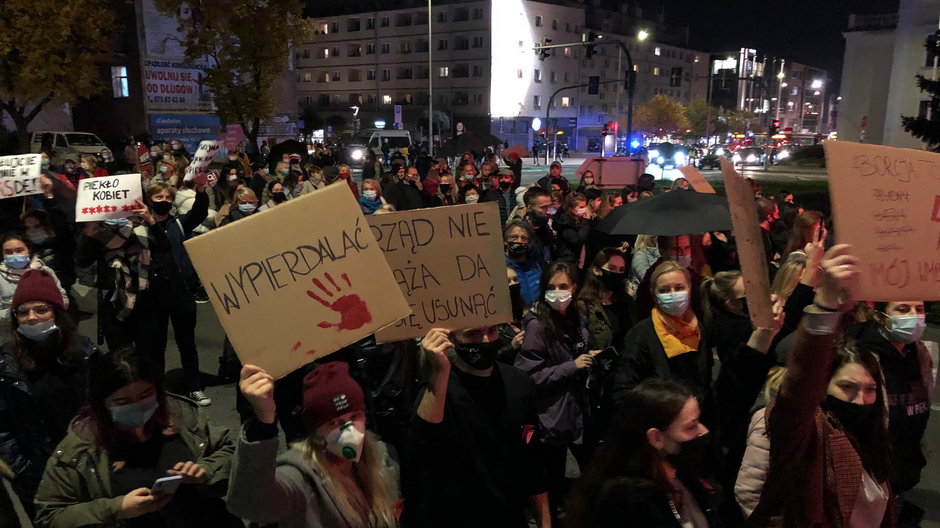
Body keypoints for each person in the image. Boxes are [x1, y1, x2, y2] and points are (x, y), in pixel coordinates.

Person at [746, 245, 895, 528]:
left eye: (870, 390)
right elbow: (801, 384)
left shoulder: (872, 439)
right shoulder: (805, 431)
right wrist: (825, 304)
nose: (860, 400)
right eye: (847, 387)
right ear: (823, 386)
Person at [33, 347, 239, 527]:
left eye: (145, 395)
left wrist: (206, 471)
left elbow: (232, 453)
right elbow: (50, 516)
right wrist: (117, 509)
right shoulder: (80, 447)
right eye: (122, 401)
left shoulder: (183, 415)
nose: (138, 407)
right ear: (101, 403)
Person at [76, 182, 211, 406]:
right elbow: (82, 260)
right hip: (114, 305)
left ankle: (155, 395)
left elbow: (163, 246)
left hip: (146, 303)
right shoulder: (99, 234)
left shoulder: (141, 228)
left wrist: (149, 220)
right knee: (121, 356)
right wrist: (88, 231)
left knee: (151, 354)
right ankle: (128, 396)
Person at [404, 326, 550, 528]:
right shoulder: (440, 390)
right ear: (452, 339)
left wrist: (544, 522)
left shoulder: (520, 383)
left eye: (492, 330)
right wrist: (439, 372)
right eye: (473, 334)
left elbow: (531, 453)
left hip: (510, 515)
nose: (486, 340)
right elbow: (420, 452)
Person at [228, 362, 399, 528]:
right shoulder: (300, 477)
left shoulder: (381, 459)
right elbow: (251, 505)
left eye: (355, 416)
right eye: (333, 423)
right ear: (316, 432)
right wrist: (264, 420)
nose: (349, 430)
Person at [0, 270, 95, 519]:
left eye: (41, 309)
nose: (32, 317)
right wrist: (23, 470)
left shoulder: (86, 352)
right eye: (23, 312)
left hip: (88, 465)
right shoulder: (6, 364)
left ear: (57, 312)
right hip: (39, 474)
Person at [566, 379, 719, 527]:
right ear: (656, 437)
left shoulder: (681, 474)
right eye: (691, 427)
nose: (703, 431)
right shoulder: (627, 500)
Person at [514, 261, 596, 522]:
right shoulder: (538, 325)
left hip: (578, 409)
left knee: (592, 472)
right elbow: (529, 376)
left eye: (563, 286)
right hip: (552, 415)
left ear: (574, 287)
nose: (558, 293)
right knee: (554, 479)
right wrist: (572, 366)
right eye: (551, 287)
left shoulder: (576, 318)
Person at [848, 300, 933, 501]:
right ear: (879, 316)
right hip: (867, 477)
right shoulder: (859, 355)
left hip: (902, 473)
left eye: (919, 309)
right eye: (902, 309)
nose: (914, 316)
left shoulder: (920, 354)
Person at [0, 233, 68, 347]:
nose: (14, 255)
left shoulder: (45, 271)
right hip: (12, 336)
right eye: (8, 252)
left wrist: (46, 310)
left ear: (29, 250)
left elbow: (64, 299)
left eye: (19, 250)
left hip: (49, 330)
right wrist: (20, 312)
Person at [504, 220, 542, 309]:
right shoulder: (500, 269)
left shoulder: (536, 267)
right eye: (514, 237)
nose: (519, 241)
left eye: (524, 238)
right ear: (505, 241)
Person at [553, 192, 591, 265]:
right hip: (567, 261)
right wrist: (586, 222)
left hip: (576, 259)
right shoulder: (564, 222)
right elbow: (577, 239)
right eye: (581, 207)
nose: (584, 209)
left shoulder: (578, 219)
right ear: (571, 208)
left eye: (585, 206)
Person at [523, 187, 555, 264]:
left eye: (549, 206)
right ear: (529, 208)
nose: (548, 211)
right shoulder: (522, 233)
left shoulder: (544, 226)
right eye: (543, 207)